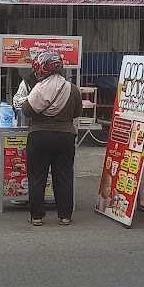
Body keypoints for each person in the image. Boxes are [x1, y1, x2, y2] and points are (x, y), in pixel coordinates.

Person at [20, 50, 82, 226]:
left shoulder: (38, 89)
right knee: (64, 176)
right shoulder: (73, 89)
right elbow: (77, 112)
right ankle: (65, 216)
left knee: (37, 176)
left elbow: (26, 110)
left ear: (43, 69)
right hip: (66, 138)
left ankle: (37, 216)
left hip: (39, 137)